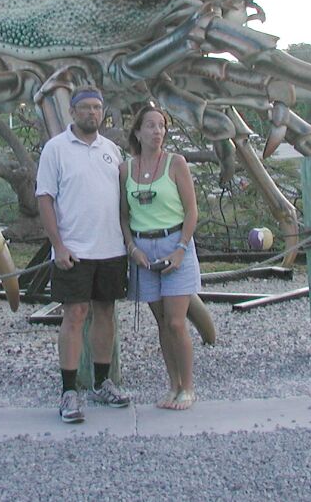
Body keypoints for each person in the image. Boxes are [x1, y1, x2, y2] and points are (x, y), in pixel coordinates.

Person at [36, 85, 131, 423]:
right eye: (86, 107)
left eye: (97, 107)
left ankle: (103, 382)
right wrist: (58, 245)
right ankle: (69, 390)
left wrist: (129, 242)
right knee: (74, 316)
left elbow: (122, 200)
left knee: (105, 314)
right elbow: (45, 198)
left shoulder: (112, 151)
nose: (92, 113)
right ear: (73, 112)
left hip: (111, 249)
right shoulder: (56, 149)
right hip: (73, 250)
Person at [119, 103, 201, 410]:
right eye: (151, 125)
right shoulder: (127, 169)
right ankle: (173, 385)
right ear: (138, 132)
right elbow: (124, 216)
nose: (157, 131)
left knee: (177, 321)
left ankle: (189, 387)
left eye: (162, 126)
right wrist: (132, 248)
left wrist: (181, 249)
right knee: (163, 323)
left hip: (174, 244)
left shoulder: (176, 163)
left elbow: (192, 210)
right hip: (143, 251)